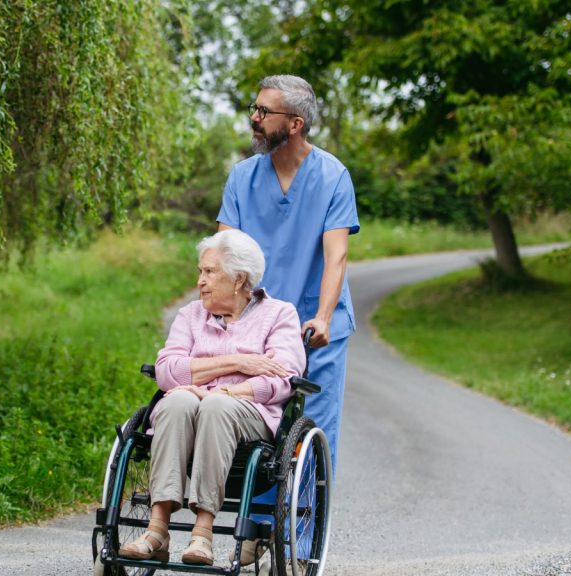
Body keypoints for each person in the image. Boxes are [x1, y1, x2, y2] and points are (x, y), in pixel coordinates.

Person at [217, 74, 359, 565]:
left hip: (316, 330)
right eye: (253, 108)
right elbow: (224, 253)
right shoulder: (242, 177)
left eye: (264, 112)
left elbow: (335, 256)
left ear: (294, 124)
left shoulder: (333, 176)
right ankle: (255, 529)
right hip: (257, 325)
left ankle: (301, 537)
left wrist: (321, 317)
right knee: (262, 420)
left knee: (314, 427)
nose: (254, 118)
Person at [118, 229, 306, 566]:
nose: (200, 281)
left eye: (210, 272)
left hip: (249, 413)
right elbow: (167, 371)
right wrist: (235, 362)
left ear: (238, 280)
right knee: (175, 401)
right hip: (191, 408)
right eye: (200, 271)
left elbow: (282, 380)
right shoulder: (191, 315)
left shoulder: (279, 315)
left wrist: (228, 390)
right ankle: (157, 529)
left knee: (217, 405)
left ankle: (202, 534)